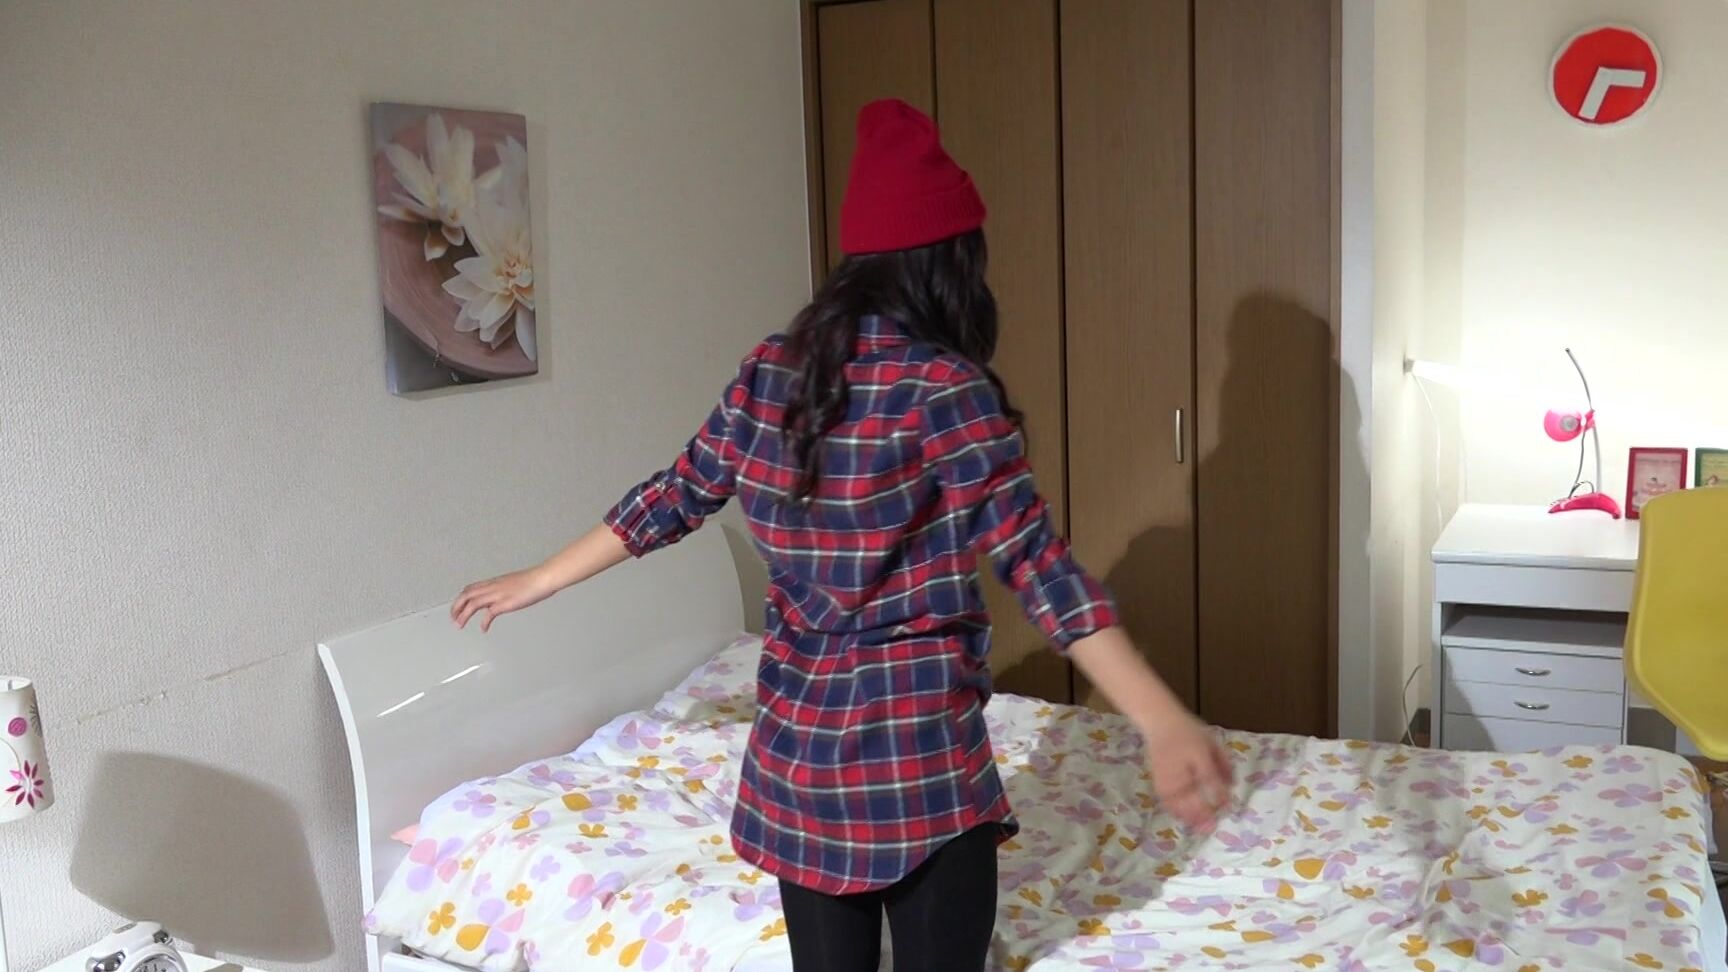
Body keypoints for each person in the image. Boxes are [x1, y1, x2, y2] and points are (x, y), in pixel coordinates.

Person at [451, 99, 1232, 972]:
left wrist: (540, 578)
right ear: (950, 264)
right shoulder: (944, 388)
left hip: (800, 765)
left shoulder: (771, 372)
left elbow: (676, 495)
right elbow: (1036, 565)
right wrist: (1161, 719)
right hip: (918, 765)